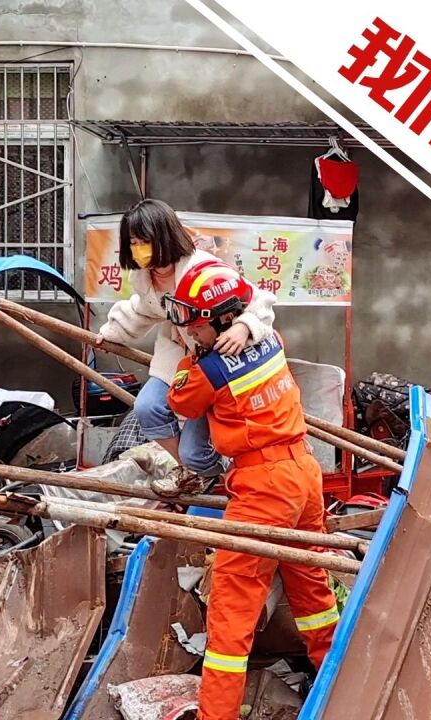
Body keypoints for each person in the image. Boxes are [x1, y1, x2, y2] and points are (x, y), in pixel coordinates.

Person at [163, 260, 338, 720]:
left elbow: (179, 399)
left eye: (194, 324)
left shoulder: (210, 368)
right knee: (312, 591)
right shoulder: (272, 340)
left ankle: (216, 714)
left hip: (263, 486)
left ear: (221, 321)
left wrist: (190, 356)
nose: (189, 330)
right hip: (303, 471)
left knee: (231, 609)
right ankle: (338, 683)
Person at [94, 198, 277, 496]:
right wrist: (113, 333)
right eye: (134, 242)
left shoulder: (203, 268)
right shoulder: (145, 277)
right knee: (148, 407)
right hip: (182, 356)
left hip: (221, 362)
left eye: (145, 241)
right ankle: (196, 473)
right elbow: (144, 309)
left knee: (196, 446)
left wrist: (244, 328)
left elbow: (256, 299)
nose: (139, 248)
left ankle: (205, 470)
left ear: (164, 237)